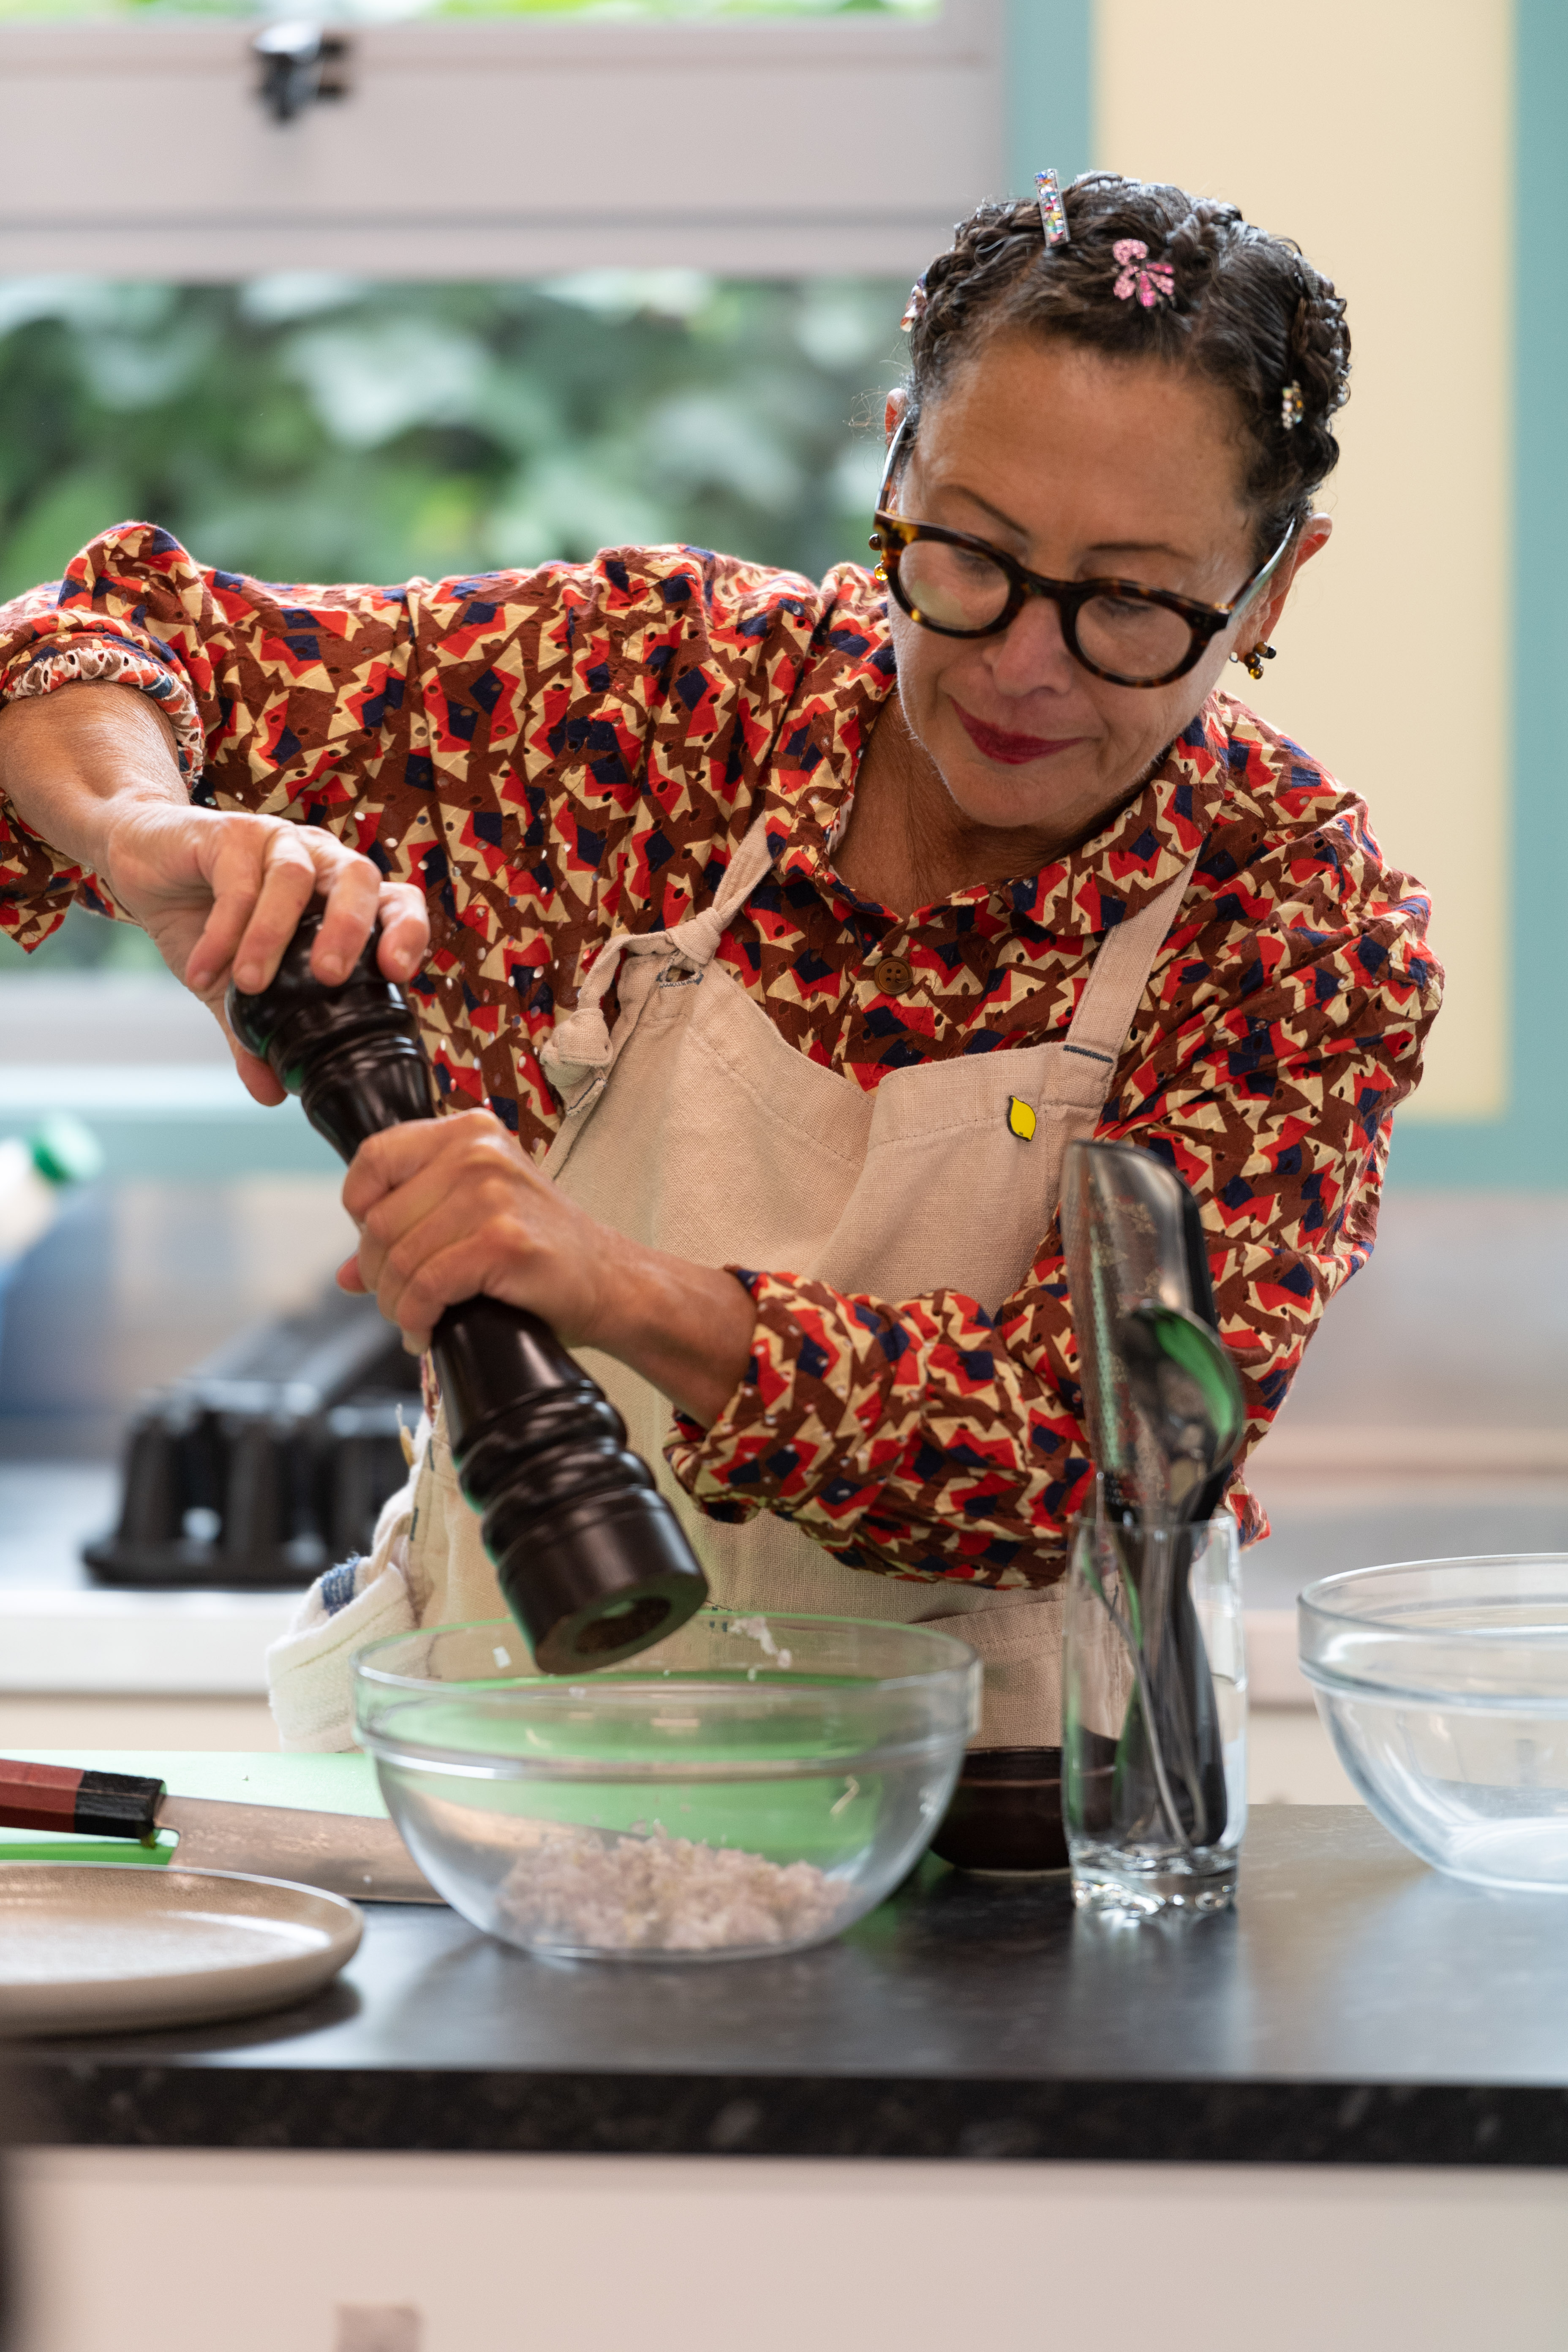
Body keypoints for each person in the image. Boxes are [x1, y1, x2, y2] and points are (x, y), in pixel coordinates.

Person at [0, 173, 1441, 1754]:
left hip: (1010, 1862)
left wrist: (615, 1286)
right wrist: (146, 828)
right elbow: (99, 640)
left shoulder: (1294, 918)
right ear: (897, 455)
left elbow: (1094, 1457)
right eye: (969, 551)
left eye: (1131, 603)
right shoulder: (651, 703)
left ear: (1272, 585)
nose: (1026, 665)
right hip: (505, 1793)